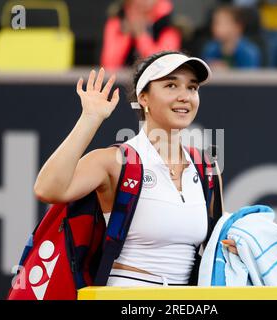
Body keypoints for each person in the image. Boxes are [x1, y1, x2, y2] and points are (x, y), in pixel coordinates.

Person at [33, 50, 237, 287]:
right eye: (171, 86)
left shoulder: (207, 169)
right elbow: (47, 189)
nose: (185, 96)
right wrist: (90, 119)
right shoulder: (114, 161)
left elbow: (216, 247)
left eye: (192, 88)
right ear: (144, 98)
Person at [100, 0, 182, 70]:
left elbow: (164, 64)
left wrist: (141, 36)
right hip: (122, 85)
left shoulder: (168, 25)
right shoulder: (117, 22)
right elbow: (109, 66)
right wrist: (125, 35)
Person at [202, 5, 262, 69]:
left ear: (238, 27)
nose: (216, 27)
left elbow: (250, 77)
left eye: (223, 23)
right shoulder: (210, 49)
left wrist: (227, 70)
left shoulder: (249, 52)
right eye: (214, 22)